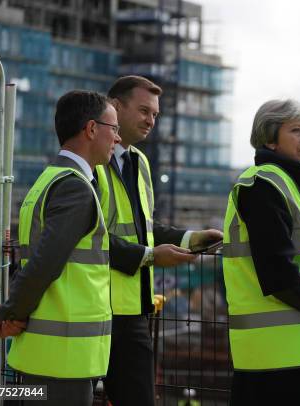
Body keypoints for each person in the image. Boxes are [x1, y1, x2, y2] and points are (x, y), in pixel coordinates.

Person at [0, 90, 121, 405]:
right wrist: (10, 312)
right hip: (66, 360)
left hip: (43, 353)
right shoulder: (75, 188)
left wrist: (13, 310)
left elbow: (33, 261)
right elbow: (45, 264)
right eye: (113, 129)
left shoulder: (47, 180)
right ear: (91, 129)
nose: (117, 138)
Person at [97, 75, 223, 405]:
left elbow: (145, 228)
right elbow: (90, 238)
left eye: (155, 114)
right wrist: (151, 256)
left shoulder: (140, 162)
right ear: (115, 106)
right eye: (143, 111)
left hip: (133, 310)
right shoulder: (91, 161)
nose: (151, 120)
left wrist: (192, 238)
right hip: (93, 307)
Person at [222, 99, 300, 405]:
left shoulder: (278, 183)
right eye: (296, 130)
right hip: (279, 356)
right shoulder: (263, 185)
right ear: (268, 138)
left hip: (278, 351)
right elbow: (280, 275)